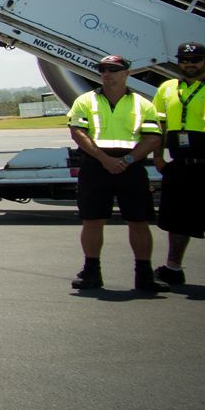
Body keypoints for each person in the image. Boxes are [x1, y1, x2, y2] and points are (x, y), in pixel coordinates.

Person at [66, 55, 166, 291]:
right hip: (96, 165)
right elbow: (78, 133)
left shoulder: (143, 104)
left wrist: (127, 160)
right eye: (103, 70)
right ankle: (91, 272)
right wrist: (105, 159)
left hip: (130, 166)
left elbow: (153, 137)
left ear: (126, 74)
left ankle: (144, 275)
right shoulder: (84, 101)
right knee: (92, 220)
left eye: (113, 69)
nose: (107, 74)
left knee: (139, 221)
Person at [154, 41, 205, 287]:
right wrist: (157, 157)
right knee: (177, 221)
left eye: (195, 60)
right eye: (185, 60)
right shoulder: (167, 88)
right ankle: (173, 269)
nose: (190, 64)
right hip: (180, 166)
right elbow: (158, 126)